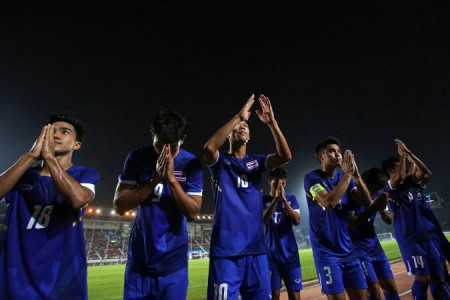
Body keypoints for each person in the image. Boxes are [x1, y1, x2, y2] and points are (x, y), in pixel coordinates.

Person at [0, 114, 100, 299]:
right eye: (51, 131)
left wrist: (51, 160)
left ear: (77, 144)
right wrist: (31, 156)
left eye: (64, 132)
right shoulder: (23, 173)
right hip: (16, 274)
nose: (56, 135)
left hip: (62, 277)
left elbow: (79, 200)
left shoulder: (85, 174)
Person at [203, 94, 291, 300]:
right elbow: (209, 148)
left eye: (246, 127)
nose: (243, 127)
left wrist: (272, 123)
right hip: (226, 252)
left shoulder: (256, 162)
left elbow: (285, 157)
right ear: (229, 135)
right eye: (238, 127)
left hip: (256, 250)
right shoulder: (220, 164)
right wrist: (238, 117)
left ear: (249, 136)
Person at [114, 110, 203, 300]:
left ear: (183, 139)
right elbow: (120, 206)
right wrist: (155, 180)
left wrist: (170, 179)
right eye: (160, 145)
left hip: (173, 263)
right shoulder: (137, 157)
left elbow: (193, 213)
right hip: (139, 261)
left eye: (172, 146)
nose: (166, 152)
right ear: (152, 134)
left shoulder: (191, 163)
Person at [303, 137, 371, 300]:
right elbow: (328, 201)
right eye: (331, 151)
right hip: (327, 253)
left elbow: (366, 201)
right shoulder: (312, 178)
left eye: (338, 151)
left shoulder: (344, 177)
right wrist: (348, 175)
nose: (337, 154)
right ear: (321, 156)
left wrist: (356, 175)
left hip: (348, 250)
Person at [382, 138, 450, 299]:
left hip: (425, 236)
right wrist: (403, 157)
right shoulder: (390, 187)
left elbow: (424, 170)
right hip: (410, 239)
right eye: (399, 165)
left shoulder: (410, 184)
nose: (403, 167)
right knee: (423, 278)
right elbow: (398, 178)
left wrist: (409, 154)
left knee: (438, 277)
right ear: (391, 170)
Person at [348, 168, 401, 300]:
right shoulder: (351, 197)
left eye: (379, 189)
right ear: (364, 183)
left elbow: (389, 220)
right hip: (358, 250)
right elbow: (352, 222)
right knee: (373, 289)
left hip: (376, 248)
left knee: (391, 286)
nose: (376, 192)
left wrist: (382, 209)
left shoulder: (378, 196)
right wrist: (374, 208)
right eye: (374, 189)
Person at [263, 167, 302, 300]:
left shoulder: (292, 198)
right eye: (276, 183)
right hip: (271, 257)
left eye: (283, 184)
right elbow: (263, 219)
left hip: (290, 256)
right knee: (273, 296)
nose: (280, 187)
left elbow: (296, 221)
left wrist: (284, 201)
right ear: (269, 181)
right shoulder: (263, 200)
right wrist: (275, 200)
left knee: (295, 296)